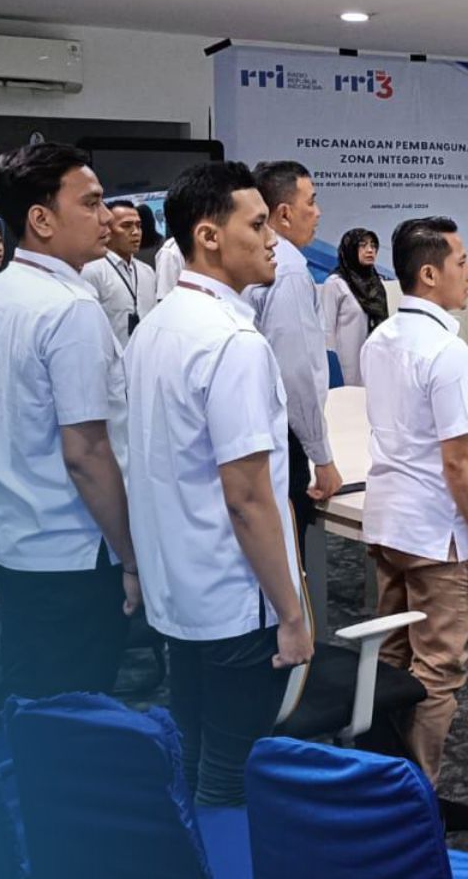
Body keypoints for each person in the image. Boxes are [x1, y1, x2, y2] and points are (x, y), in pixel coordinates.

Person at [124, 162, 313, 807]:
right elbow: (249, 498)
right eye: (257, 225)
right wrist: (292, 614)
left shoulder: (156, 326)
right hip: (236, 602)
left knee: (194, 751)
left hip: (178, 591)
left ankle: (192, 852)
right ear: (208, 236)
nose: (273, 240)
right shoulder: (233, 342)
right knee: (233, 777)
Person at [0, 142, 141, 701]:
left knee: (31, 693)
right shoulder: (71, 308)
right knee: (74, 706)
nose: (106, 217)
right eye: (90, 203)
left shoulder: (0, 292)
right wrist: (131, 555)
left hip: (14, 536)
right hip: (73, 550)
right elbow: (86, 453)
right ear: (41, 220)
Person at [360, 216, 468, 805]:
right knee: (438, 669)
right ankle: (415, 802)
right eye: (462, 263)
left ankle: (377, 787)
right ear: (430, 274)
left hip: (388, 522)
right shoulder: (447, 349)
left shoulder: (380, 338)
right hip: (437, 533)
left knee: (391, 660)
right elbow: (458, 459)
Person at [248, 161, 343, 549]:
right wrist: (322, 456)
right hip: (282, 434)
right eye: (311, 202)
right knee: (287, 552)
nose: (317, 213)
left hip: (256, 429)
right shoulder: (287, 271)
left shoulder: (255, 261)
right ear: (284, 213)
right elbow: (295, 372)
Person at [81, 200, 158, 346]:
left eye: (138, 225)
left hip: (147, 352)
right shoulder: (92, 271)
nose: (135, 232)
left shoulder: (147, 271)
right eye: (126, 226)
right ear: (107, 230)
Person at [322, 227, 389, 387]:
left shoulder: (376, 284)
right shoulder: (335, 284)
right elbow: (326, 331)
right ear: (351, 249)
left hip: (374, 366)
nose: (370, 250)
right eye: (363, 245)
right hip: (346, 371)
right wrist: (332, 373)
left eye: (373, 245)